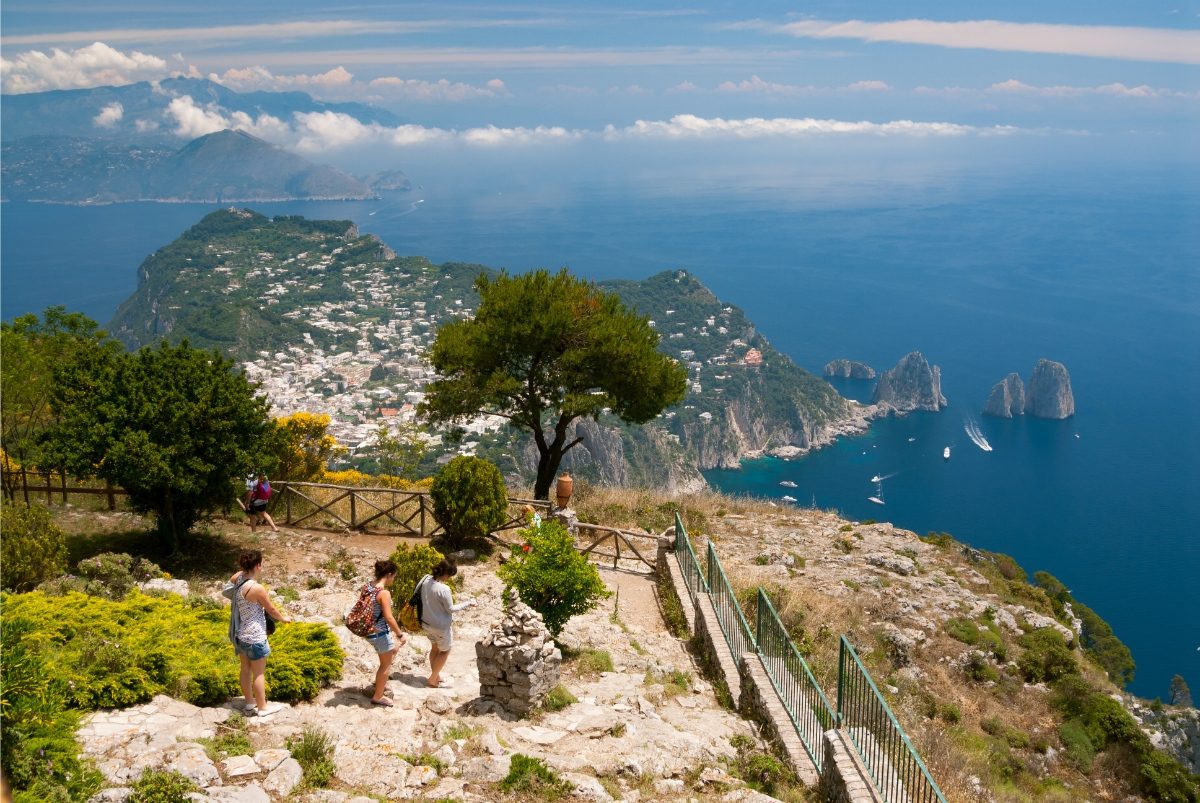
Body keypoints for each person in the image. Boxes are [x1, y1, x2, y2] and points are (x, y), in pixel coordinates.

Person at [226, 549, 290, 716]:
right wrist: (283, 619)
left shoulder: (239, 578)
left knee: (245, 669)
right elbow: (272, 609)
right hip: (255, 636)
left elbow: (231, 581)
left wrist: (244, 570)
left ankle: (249, 703)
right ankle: (262, 708)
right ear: (258, 566)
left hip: (240, 634)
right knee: (259, 673)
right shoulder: (257, 588)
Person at [417, 558, 476, 688]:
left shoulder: (426, 580)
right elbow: (450, 609)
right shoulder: (444, 589)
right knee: (445, 651)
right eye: (450, 575)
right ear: (446, 573)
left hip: (426, 623)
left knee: (434, 649)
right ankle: (432, 679)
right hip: (440, 626)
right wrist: (469, 603)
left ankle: (436, 675)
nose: (449, 578)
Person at [363, 559, 408, 706]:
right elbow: (389, 617)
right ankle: (378, 696)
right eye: (394, 576)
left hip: (369, 630)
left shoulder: (368, 586)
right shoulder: (384, 593)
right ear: (389, 575)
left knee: (392, 651)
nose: (393, 579)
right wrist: (400, 634)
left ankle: (380, 683)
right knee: (386, 665)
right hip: (379, 633)